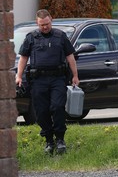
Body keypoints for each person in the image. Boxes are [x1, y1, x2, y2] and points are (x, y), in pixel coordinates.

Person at [16, 9, 80, 154]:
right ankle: (49, 141)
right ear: (37, 23)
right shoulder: (31, 38)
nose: (45, 27)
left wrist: (75, 76)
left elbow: (70, 57)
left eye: (47, 24)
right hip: (38, 80)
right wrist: (18, 76)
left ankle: (60, 139)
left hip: (58, 78)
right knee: (41, 112)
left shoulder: (60, 36)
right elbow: (23, 58)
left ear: (51, 19)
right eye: (41, 25)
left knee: (57, 107)